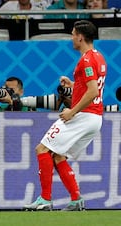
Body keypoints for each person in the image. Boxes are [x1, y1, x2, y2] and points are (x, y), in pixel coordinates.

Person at [23, 20, 106, 211]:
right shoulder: (98, 57)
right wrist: (73, 84)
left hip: (83, 115)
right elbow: (91, 86)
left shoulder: (86, 60)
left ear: (80, 37)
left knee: (42, 149)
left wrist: (72, 111)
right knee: (58, 156)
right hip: (95, 118)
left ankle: (45, 199)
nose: (71, 37)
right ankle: (76, 200)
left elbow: (93, 91)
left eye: (73, 34)